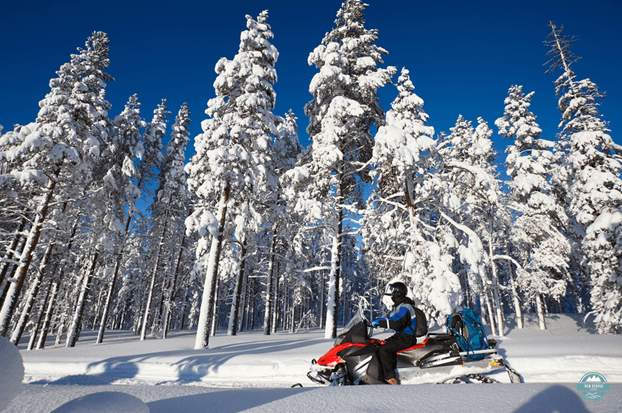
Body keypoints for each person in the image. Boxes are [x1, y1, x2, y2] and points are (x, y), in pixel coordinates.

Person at [371, 281, 426, 385]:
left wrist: (380, 322)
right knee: (378, 344)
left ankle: (390, 378)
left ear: (398, 293)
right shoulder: (401, 306)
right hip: (401, 336)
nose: (391, 294)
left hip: (406, 337)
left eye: (393, 291)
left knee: (384, 349)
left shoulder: (405, 307)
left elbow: (397, 322)